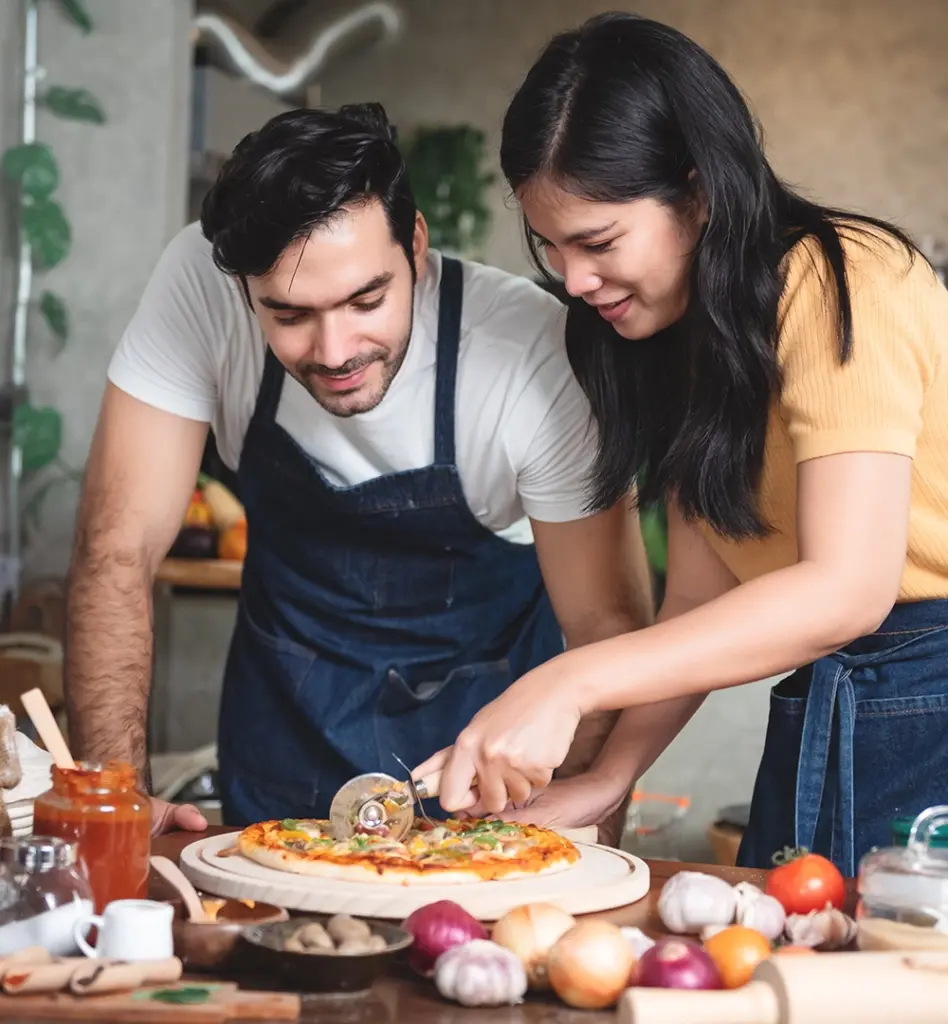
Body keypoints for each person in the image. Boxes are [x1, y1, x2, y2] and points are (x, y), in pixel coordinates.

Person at [416, 13, 948, 874]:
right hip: (834, 703)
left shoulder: (846, 279)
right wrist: (610, 777)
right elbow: (699, 607)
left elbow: (851, 590)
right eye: (551, 249)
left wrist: (567, 681)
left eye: (597, 243)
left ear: (697, 195)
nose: (574, 282)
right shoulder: (679, 343)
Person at [64, 103, 654, 836]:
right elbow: (115, 548)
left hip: (483, 779)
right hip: (281, 742)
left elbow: (607, 628)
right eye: (288, 315)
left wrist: (561, 851)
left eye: (365, 300)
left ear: (416, 245)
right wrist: (113, 809)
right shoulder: (202, 280)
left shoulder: (531, 354)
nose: (335, 349)